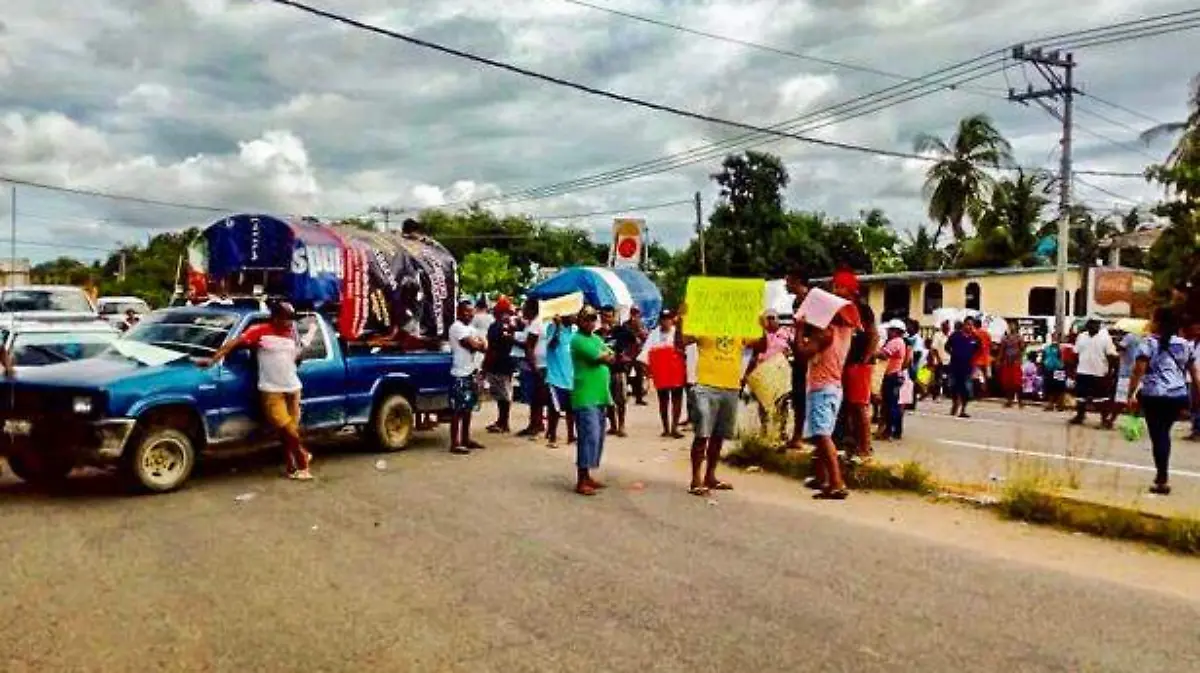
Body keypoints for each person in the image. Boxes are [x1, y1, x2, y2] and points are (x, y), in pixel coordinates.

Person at [199, 300, 315, 480]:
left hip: (293, 388)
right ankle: (303, 458)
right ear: (275, 318)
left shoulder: (292, 333)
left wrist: (309, 335)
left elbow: (296, 356)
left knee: (288, 431)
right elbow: (233, 344)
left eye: (291, 318)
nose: (290, 322)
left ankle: (291, 467)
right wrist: (213, 360)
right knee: (286, 428)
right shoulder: (260, 331)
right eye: (286, 318)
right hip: (271, 390)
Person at [796, 283, 859, 500]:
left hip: (821, 387)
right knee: (823, 435)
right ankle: (824, 479)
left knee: (822, 436)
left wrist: (800, 328)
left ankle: (837, 483)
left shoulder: (825, 333)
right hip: (832, 387)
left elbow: (803, 353)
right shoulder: (845, 331)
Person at [1128, 307, 1198, 496]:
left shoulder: (1148, 343)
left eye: (1152, 319)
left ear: (1157, 322)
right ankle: (1161, 475)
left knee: (1158, 436)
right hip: (1178, 396)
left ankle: (1162, 478)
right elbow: (1194, 373)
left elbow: (1138, 371)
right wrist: (1196, 396)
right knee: (1163, 434)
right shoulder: (1184, 344)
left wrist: (1131, 394)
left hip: (1154, 396)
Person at [679, 305, 741, 496]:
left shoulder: (740, 329)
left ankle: (710, 476)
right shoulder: (704, 326)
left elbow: (760, 345)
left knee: (718, 436)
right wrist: (683, 318)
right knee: (702, 434)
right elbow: (682, 341)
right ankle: (696, 478)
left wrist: (760, 325)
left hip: (730, 386)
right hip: (706, 386)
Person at [570, 306, 615, 496]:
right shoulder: (578, 340)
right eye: (586, 319)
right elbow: (601, 357)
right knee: (589, 437)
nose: (590, 322)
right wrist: (605, 356)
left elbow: (611, 356)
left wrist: (606, 356)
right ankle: (581, 480)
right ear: (579, 321)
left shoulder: (595, 338)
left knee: (597, 438)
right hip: (585, 395)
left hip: (599, 395)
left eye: (592, 319)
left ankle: (587, 475)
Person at [838, 270, 876, 459]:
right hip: (846, 362)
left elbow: (873, 335)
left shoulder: (862, 308)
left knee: (859, 405)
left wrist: (865, 358)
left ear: (850, 289)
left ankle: (865, 447)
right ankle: (852, 445)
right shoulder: (840, 307)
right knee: (849, 406)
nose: (836, 290)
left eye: (840, 286)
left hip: (859, 363)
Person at [742, 308, 793, 443]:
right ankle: (764, 429)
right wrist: (746, 375)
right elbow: (754, 356)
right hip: (763, 373)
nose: (770, 321)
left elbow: (792, 352)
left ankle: (782, 431)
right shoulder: (759, 336)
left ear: (777, 320)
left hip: (780, 373)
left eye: (772, 318)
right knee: (763, 404)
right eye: (767, 318)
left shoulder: (785, 334)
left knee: (782, 403)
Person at [448, 300, 487, 454]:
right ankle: (454, 443)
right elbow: (473, 345)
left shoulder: (470, 328)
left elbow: (484, 346)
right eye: (466, 311)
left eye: (471, 311)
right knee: (457, 410)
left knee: (468, 408)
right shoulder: (456, 327)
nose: (470, 314)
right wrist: (478, 343)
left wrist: (479, 343)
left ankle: (466, 439)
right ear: (459, 312)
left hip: (470, 372)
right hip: (459, 373)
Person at [641, 309, 686, 438]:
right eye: (663, 319)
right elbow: (646, 352)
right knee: (663, 399)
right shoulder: (654, 334)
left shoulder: (678, 333)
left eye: (668, 319)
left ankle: (675, 427)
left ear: (672, 320)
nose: (665, 321)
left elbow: (684, 349)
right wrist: (647, 370)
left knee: (677, 399)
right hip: (661, 372)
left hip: (676, 370)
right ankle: (666, 428)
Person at [599, 305, 637, 437]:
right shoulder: (597, 333)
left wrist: (629, 356)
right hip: (603, 370)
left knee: (621, 399)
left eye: (609, 316)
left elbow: (635, 341)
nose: (606, 319)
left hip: (619, 369)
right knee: (607, 399)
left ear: (614, 316)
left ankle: (621, 425)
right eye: (604, 316)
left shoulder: (621, 330)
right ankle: (613, 425)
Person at [1070, 319, 1115, 427]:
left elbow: (1111, 355)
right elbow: (1076, 353)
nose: (1093, 326)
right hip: (1082, 371)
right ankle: (1080, 416)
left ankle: (1104, 419)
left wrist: (1109, 371)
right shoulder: (1081, 336)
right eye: (1090, 323)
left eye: (1095, 323)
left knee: (1101, 398)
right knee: (1080, 397)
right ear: (1087, 325)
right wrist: (1074, 369)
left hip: (1099, 372)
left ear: (1099, 325)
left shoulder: (1105, 337)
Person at [784, 267, 811, 449]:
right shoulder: (796, 301)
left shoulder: (812, 300)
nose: (786, 284)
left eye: (788, 281)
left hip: (812, 354)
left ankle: (805, 435)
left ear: (797, 281)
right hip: (799, 353)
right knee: (798, 396)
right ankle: (798, 435)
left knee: (809, 397)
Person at [483, 296, 517, 434]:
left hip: (497, 363)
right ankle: (502, 421)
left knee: (502, 394)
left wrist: (485, 365)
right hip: (508, 362)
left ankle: (503, 423)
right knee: (504, 393)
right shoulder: (510, 326)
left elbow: (492, 349)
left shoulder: (495, 327)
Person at [515, 299, 548, 438]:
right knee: (538, 396)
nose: (523, 311)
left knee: (535, 397)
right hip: (540, 364)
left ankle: (535, 424)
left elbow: (529, 347)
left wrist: (533, 366)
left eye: (525, 308)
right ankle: (537, 422)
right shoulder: (535, 323)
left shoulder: (536, 324)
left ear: (531, 309)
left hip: (536, 365)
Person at [544, 313, 577, 448]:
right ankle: (552, 437)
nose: (574, 317)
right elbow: (551, 345)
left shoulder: (574, 331)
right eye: (571, 315)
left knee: (571, 409)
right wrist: (557, 327)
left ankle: (571, 435)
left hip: (571, 376)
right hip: (555, 377)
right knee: (554, 410)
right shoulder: (552, 328)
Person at [875, 319, 907, 441]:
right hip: (893, 375)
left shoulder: (895, 342)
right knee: (892, 404)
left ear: (896, 331)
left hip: (891, 376)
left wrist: (872, 350)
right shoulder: (899, 341)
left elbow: (884, 355)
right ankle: (895, 431)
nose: (888, 332)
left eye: (890, 330)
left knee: (890, 405)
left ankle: (889, 431)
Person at [946, 320, 980, 418]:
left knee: (966, 389)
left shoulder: (974, 338)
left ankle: (963, 410)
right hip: (955, 366)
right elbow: (947, 347)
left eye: (971, 325)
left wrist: (971, 358)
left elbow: (977, 349)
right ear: (964, 325)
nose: (969, 327)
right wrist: (954, 354)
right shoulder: (955, 335)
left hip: (967, 367)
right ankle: (955, 403)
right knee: (953, 387)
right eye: (968, 324)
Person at [624, 307, 650, 405]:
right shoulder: (626, 324)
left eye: (637, 313)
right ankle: (623, 395)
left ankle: (639, 398)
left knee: (640, 375)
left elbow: (646, 337)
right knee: (625, 374)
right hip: (628, 353)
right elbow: (625, 336)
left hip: (638, 353)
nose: (635, 315)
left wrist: (639, 329)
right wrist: (635, 335)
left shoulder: (642, 324)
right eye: (634, 313)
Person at [997, 326, 1026, 408]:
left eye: (1014, 326)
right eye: (1011, 326)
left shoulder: (1019, 337)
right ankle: (1009, 400)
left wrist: (1019, 356)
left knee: (1017, 383)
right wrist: (999, 360)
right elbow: (1002, 350)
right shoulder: (1005, 338)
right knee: (1007, 383)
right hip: (1007, 362)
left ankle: (1020, 401)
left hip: (1016, 362)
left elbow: (1022, 349)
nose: (1012, 327)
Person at [1041, 334, 1068, 412]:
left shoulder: (1062, 348)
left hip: (1059, 369)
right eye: (1053, 337)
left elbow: (1063, 359)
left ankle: (1060, 405)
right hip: (1049, 369)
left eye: (1056, 337)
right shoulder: (1047, 348)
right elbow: (1043, 357)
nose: (1054, 339)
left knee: (1059, 388)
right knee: (1050, 387)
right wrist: (1043, 366)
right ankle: (1050, 404)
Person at [971, 318, 993, 398]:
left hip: (977, 359)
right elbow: (990, 345)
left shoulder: (974, 334)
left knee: (977, 377)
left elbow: (972, 346)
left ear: (975, 325)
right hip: (986, 358)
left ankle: (979, 392)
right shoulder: (987, 334)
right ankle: (986, 392)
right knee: (986, 377)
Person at [929, 320, 951, 401]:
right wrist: (938, 359)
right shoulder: (937, 335)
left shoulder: (950, 336)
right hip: (940, 360)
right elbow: (934, 349)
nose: (947, 328)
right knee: (938, 378)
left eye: (948, 326)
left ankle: (946, 394)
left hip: (949, 360)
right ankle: (936, 394)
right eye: (945, 326)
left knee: (947, 378)